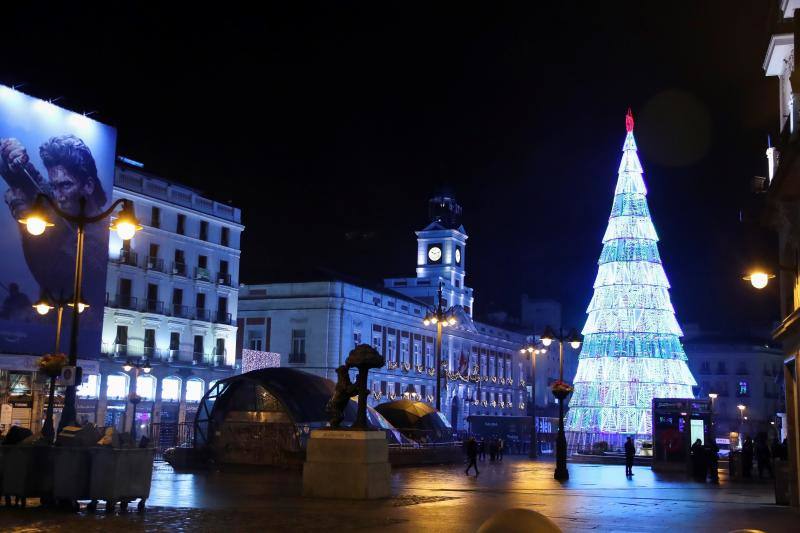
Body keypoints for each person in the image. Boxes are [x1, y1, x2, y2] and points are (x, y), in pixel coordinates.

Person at [1, 135, 108, 314]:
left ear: (88, 186)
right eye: (54, 186)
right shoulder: (70, 208)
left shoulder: (98, 237)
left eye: (66, 185)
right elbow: (41, 189)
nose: (58, 197)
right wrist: (15, 160)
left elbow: (51, 273)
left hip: (75, 322)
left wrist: (22, 212)